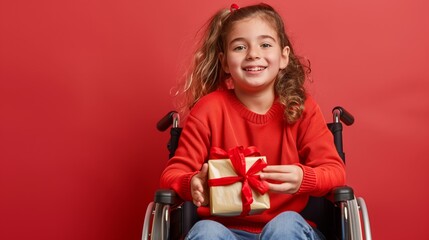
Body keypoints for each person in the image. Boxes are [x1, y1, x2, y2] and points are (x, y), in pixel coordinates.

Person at [160, 3, 345, 240]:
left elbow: (335, 171)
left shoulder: (301, 108)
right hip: (225, 230)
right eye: (239, 47)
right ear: (225, 62)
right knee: (206, 231)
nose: (253, 54)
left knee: (285, 225)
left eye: (265, 44)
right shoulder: (208, 110)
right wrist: (191, 183)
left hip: (288, 230)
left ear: (283, 57)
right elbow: (172, 174)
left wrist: (303, 179)